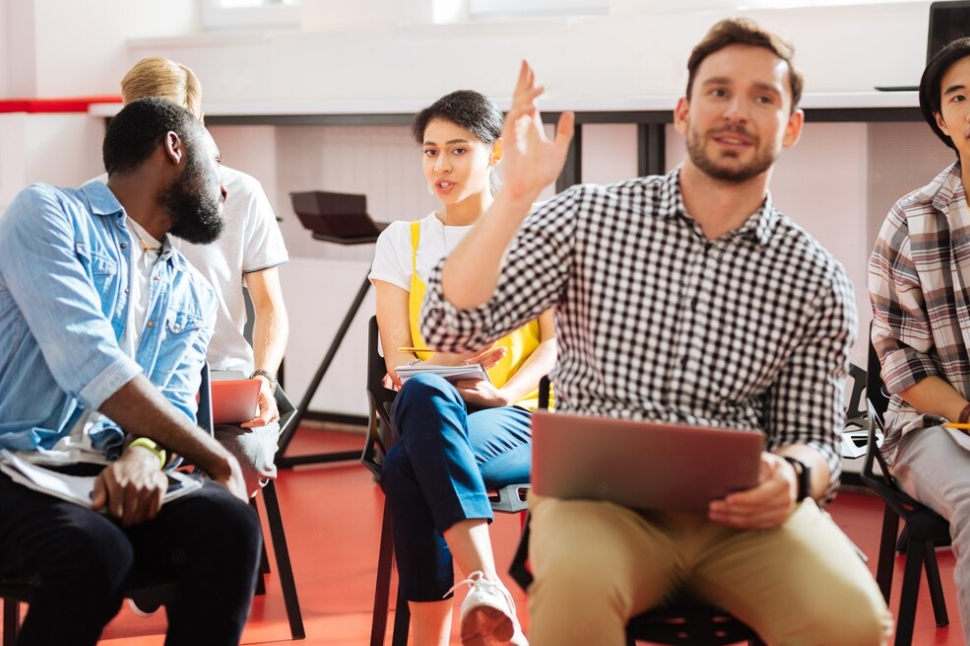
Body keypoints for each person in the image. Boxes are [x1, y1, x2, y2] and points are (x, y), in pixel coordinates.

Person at [420, 18, 892, 646]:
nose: (736, 111)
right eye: (718, 91)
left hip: (742, 519)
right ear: (683, 112)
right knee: (575, 601)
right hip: (599, 507)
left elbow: (817, 441)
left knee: (852, 620)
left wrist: (795, 476)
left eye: (763, 97)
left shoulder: (814, 277)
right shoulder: (591, 216)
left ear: (792, 125)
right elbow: (447, 325)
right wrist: (513, 200)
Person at [0, 97, 262, 646]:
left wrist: (144, 455)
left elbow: (170, 398)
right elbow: (87, 358)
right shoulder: (45, 213)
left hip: (101, 472)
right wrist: (216, 457)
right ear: (174, 147)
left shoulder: (192, 290)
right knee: (97, 551)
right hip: (14, 464)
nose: (222, 189)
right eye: (215, 166)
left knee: (230, 527)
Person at [368, 89, 557, 646]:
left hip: (517, 416)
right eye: (430, 152)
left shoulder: (532, 235)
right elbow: (398, 357)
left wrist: (504, 393)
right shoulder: (401, 241)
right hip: (431, 406)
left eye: (458, 150)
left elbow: (555, 347)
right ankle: (487, 588)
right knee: (426, 397)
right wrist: (456, 363)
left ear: (495, 153)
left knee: (408, 466)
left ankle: (446, 625)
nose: (441, 166)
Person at [116, 57, 290, 497]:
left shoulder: (240, 193)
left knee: (243, 462)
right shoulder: (103, 199)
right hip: (134, 383)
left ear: (196, 123)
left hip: (221, 379)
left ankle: (196, 542)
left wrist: (264, 378)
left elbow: (269, 307)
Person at [869, 35, 970, 646]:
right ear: (942, 118)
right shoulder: (913, 219)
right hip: (935, 426)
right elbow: (899, 366)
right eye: (961, 96)